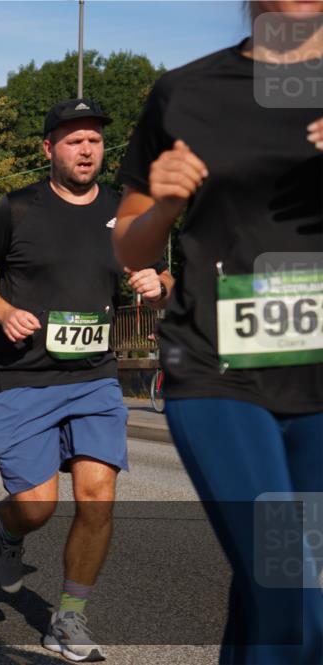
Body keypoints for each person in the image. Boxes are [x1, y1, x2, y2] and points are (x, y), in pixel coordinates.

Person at [112, 4, 323, 661]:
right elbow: (128, 245)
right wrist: (167, 203)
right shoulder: (187, 92)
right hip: (215, 369)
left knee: (267, 597)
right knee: (290, 595)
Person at [0, 99, 172, 662]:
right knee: (36, 506)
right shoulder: (16, 210)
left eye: (95, 140)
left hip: (95, 380)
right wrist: (3, 312)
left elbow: (161, 274)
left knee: (98, 498)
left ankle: (69, 617)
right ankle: (7, 529)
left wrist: (158, 284)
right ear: (49, 148)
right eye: (74, 140)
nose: (86, 149)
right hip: (24, 380)